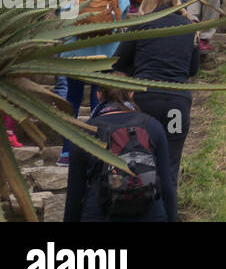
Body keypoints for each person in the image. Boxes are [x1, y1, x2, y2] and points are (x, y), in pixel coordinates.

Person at [113, 0, 199, 187]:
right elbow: (192, 69)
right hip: (176, 102)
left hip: (146, 99)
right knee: (170, 158)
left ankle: (140, 204)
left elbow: (119, 62)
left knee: (141, 156)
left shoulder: (140, 25)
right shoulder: (189, 28)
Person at [62, 85, 178, 222]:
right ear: (131, 93)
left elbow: (74, 194)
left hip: (99, 213)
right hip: (151, 212)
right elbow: (166, 185)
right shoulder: (152, 125)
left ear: (98, 95)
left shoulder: (85, 132)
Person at [58, 0, 131, 165]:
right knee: (100, 100)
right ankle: (98, 149)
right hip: (106, 52)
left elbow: (65, 16)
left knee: (72, 100)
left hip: (76, 52)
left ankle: (66, 151)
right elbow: (122, 15)